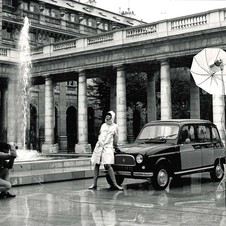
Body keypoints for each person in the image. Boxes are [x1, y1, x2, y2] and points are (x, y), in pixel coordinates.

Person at [89, 111, 123, 190]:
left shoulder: (115, 127)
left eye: (109, 117)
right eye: (106, 117)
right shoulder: (103, 125)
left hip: (108, 147)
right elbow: (100, 135)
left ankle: (115, 184)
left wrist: (115, 146)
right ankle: (94, 183)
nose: (107, 118)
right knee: (97, 164)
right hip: (99, 146)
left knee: (108, 165)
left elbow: (115, 138)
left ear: (112, 118)